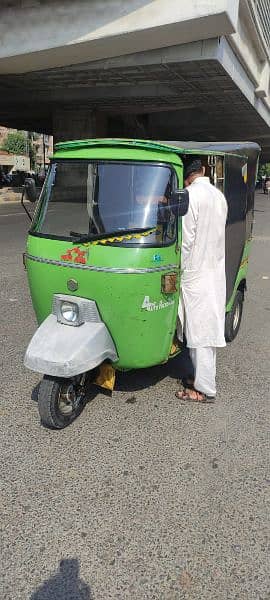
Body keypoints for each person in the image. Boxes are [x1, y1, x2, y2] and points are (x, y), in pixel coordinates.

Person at [176, 158, 228, 403]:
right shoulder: (218, 196)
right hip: (214, 271)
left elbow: (186, 241)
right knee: (203, 329)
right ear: (203, 171)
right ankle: (199, 378)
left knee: (200, 333)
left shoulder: (189, 195)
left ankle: (205, 390)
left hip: (196, 274)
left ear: (185, 176)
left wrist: (179, 271)